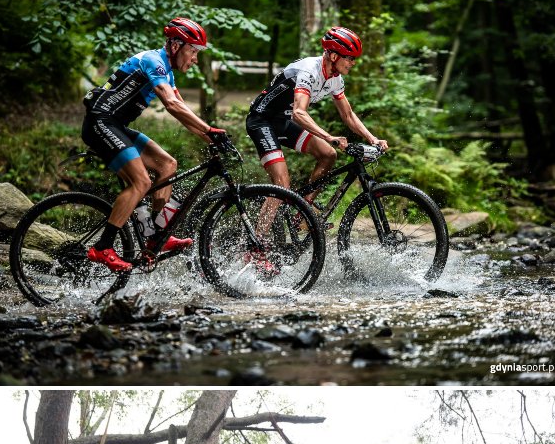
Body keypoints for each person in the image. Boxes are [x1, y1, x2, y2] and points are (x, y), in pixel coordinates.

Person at [81, 17, 230, 273]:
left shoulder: (167, 71)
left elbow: (180, 108)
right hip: (100, 122)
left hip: (116, 125)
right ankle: (103, 247)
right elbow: (171, 104)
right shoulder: (153, 61)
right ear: (175, 45)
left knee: (168, 165)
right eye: (193, 50)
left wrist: (212, 139)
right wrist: (209, 130)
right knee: (141, 182)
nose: (195, 58)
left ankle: (155, 236)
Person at [245, 26, 388, 204]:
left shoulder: (336, 79)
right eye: (350, 58)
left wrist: (372, 138)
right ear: (334, 56)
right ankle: (260, 233)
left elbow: (348, 115)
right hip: (261, 122)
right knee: (282, 186)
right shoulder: (309, 71)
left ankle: (304, 213)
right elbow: (299, 113)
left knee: (328, 154)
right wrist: (329, 137)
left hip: (283, 122)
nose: (353, 63)